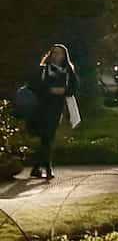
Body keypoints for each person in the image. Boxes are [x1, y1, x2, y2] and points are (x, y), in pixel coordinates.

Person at [25, 44, 78, 179]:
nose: (56, 56)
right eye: (54, 53)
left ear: (64, 56)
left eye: (59, 53)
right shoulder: (43, 69)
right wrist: (49, 90)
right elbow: (32, 86)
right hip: (42, 107)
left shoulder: (67, 71)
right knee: (46, 137)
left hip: (57, 108)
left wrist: (64, 91)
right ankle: (47, 169)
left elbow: (74, 87)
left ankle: (37, 168)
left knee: (47, 137)